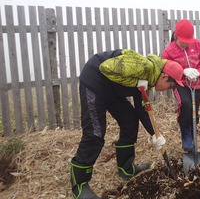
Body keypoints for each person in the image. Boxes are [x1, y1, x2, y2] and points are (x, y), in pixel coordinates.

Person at [70, 49, 184, 199]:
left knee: (130, 119)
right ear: (164, 76)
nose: (168, 90)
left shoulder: (149, 79)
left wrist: (155, 134)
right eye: (171, 86)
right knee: (95, 133)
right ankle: (79, 185)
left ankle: (126, 168)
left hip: (112, 90)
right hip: (95, 83)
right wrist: (135, 82)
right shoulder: (143, 67)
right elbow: (106, 68)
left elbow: (142, 109)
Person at [162, 19, 200, 152]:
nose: (185, 44)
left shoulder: (198, 45)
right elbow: (165, 67)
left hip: (197, 83)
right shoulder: (169, 51)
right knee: (186, 104)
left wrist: (198, 71)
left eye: (187, 41)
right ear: (175, 36)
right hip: (180, 84)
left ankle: (193, 130)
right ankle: (185, 132)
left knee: (194, 109)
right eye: (182, 41)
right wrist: (182, 71)